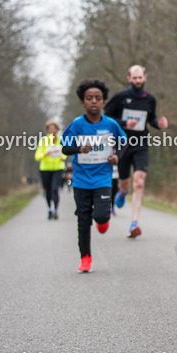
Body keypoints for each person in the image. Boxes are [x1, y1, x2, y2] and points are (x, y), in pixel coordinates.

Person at [60, 79, 127, 273]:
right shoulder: (77, 125)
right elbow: (65, 148)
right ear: (83, 102)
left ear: (104, 101)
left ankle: (103, 220)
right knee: (83, 220)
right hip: (81, 180)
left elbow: (123, 144)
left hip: (103, 179)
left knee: (100, 215)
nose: (94, 102)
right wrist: (79, 148)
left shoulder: (111, 124)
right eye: (89, 98)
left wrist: (116, 156)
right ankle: (85, 258)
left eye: (98, 98)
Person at [104, 64, 168, 238]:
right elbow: (106, 116)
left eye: (141, 77)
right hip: (123, 144)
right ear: (129, 79)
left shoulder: (150, 99)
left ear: (145, 78)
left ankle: (134, 223)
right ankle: (123, 192)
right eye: (135, 78)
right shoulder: (120, 97)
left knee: (139, 182)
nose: (138, 80)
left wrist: (159, 124)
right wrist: (124, 123)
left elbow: (152, 119)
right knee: (124, 183)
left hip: (141, 143)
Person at [34, 121, 66, 219]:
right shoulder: (43, 141)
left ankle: (56, 209)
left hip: (58, 168)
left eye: (54, 128)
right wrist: (45, 154)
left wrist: (63, 157)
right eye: (50, 129)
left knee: (55, 189)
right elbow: (37, 156)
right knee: (48, 190)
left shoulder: (61, 140)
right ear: (47, 130)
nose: (52, 130)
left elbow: (65, 151)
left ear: (57, 130)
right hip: (45, 169)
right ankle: (49, 209)